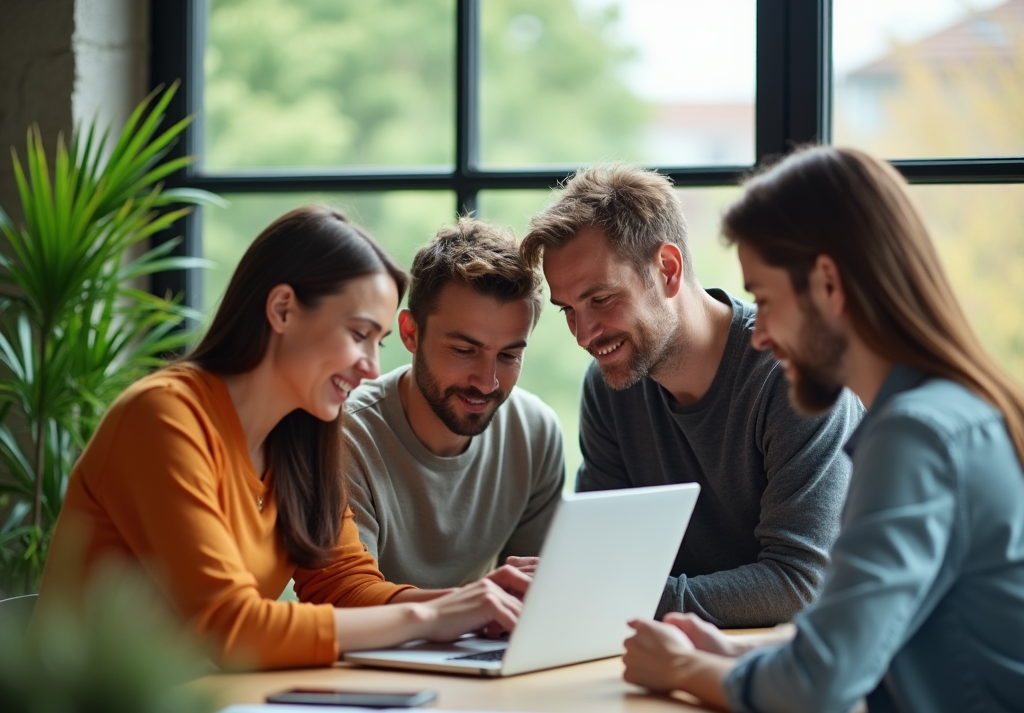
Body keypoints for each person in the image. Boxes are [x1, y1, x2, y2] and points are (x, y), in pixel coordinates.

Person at [622, 146, 1024, 713]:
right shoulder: (954, 413)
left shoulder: (914, 438)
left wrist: (681, 669)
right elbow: (861, 640)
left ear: (829, 285)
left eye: (767, 298)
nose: (758, 334)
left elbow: (823, 682)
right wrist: (728, 654)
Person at [37, 205, 529, 670]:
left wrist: (471, 605)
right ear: (283, 309)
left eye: (377, 343)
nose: (372, 368)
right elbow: (228, 627)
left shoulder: (304, 432)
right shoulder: (163, 415)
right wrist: (428, 617)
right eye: (358, 334)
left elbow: (342, 584)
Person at [519, 164, 862, 627]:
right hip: (675, 655)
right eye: (568, 310)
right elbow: (605, 559)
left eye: (600, 299)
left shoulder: (790, 379)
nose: (584, 335)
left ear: (668, 269)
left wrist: (617, 598)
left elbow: (799, 583)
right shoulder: (608, 387)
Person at [344, 217, 564, 588]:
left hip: (483, 644)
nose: (488, 382)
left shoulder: (535, 432)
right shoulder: (348, 438)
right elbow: (347, 603)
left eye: (509, 355)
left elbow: (532, 594)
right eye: (464, 350)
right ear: (410, 333)